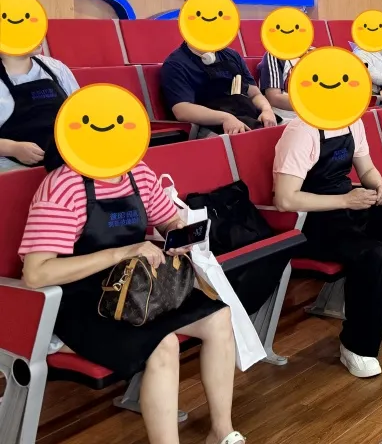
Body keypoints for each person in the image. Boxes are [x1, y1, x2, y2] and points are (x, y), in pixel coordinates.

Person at [20, 159, 243, 444]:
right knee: (163, 344)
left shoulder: (139, 173)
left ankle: (221, 431)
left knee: (219, 317)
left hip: (137, 289)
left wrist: (177, 232)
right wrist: (121, 253)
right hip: (79, 301)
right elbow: (36, 274)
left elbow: (167, 220)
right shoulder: (63, 185)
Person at [273, 115, 382, 379]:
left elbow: (367, 169)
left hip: (349, 203)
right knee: (368, 253)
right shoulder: (301, 132)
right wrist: (345, 201)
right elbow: (284, 199)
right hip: (310, 220)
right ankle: (356, 345)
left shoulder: (352, 122)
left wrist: (379, 187)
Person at [162, 42, 277, 135]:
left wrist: (267, 110)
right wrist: (225, 118)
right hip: (209, 125)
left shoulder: (232, 55)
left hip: (247, 116)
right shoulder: (175, 64)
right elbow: (182, 110)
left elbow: (255, 94)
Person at [0, 50, 79, 172]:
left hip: (66, 164)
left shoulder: (55, 67)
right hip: (13, 169)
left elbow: (78, 112)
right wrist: (13, 148)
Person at [257, 48, 314, 121]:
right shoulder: (275, 56)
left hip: (311, 116)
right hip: (286, 118)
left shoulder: (315, 55)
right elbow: (274, 99)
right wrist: (313, 104)